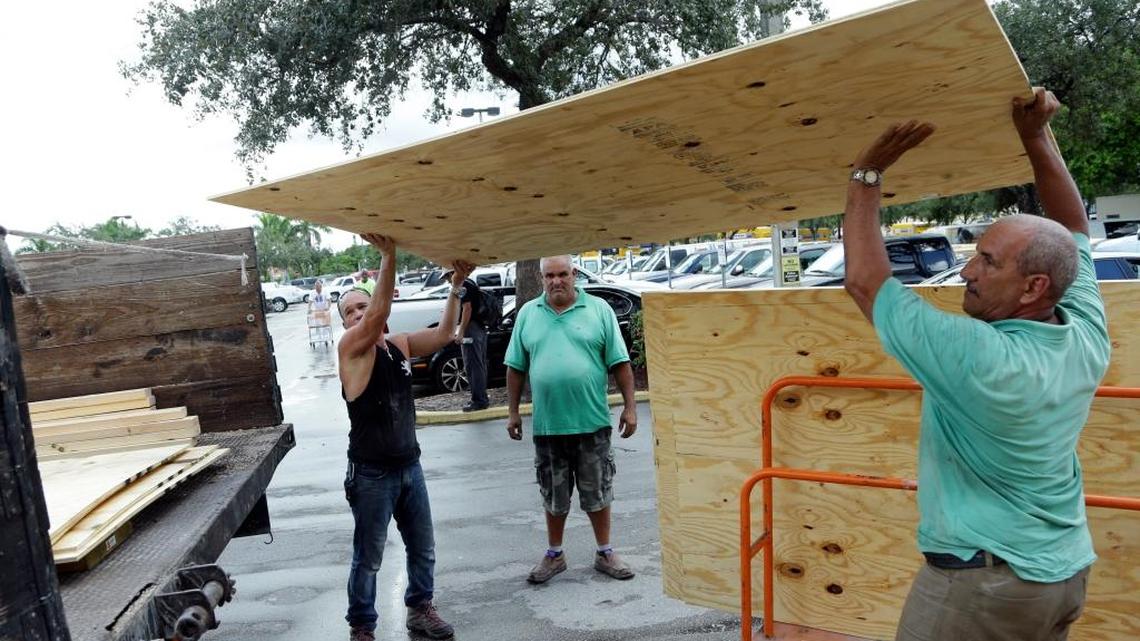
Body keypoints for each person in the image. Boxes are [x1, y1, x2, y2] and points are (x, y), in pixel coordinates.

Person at [840, 88, 1109, 641]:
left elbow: (866, 282)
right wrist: (1035, 136)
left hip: (983, 587)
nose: (967, 272)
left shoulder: (982, 357)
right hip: (1059, 576)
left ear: (1033, 287)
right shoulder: (1083, 331)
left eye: (987, 262)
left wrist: (865, 175)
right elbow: (1073, 230)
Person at [337, 233, 474, 641]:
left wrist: (454, 287)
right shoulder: (351, 350)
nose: (359, 314)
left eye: (363, 305)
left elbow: (446, 334)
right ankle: (362, 626)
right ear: (344, 323)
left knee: (423, 547)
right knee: (369, 557)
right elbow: (378, 317)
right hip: (372, 473)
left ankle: (420, 609)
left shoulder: (397, 344)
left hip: (409, 465)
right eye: (350, 311)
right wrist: (387, 254)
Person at [503, 255, 639, 584]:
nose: (556, 281)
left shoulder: (599, 311)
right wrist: (512, 412)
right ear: (541, 278)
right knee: (553, 494)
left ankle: (605, 552)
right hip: (549, 426)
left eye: (562, 274)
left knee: (598, 491)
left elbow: (620, 362)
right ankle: (554, 554)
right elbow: (515, 367)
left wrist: (630, 406)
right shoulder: (528, 314)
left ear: (574, 274)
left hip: (592, 421)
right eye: (549, 275)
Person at [452, 274, 489, 411]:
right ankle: (482, 398)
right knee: (479, 364)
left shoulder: (464, 285)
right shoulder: (470, 282)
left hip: (471, 328)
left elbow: (467, 308)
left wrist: (461, 331)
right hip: (479, 327)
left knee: (473, 366)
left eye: (446, 277)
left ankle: (478, 400)